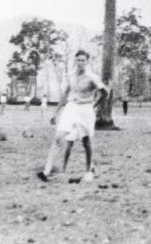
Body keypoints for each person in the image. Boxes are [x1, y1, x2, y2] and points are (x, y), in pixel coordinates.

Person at [37, 50, 107, 183]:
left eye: (83, 60)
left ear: (87, 62)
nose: (80, 62)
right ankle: (46, 172)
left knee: (86, 141)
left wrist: (95, 105)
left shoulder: (92, 77)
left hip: (86, 108)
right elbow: (65, 94)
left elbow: (105, 93)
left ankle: (88, 171)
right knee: (58, 137)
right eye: (78, 60)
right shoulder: (70, 76)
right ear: (75, 61)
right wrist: (56, 112)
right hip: (71, 107)